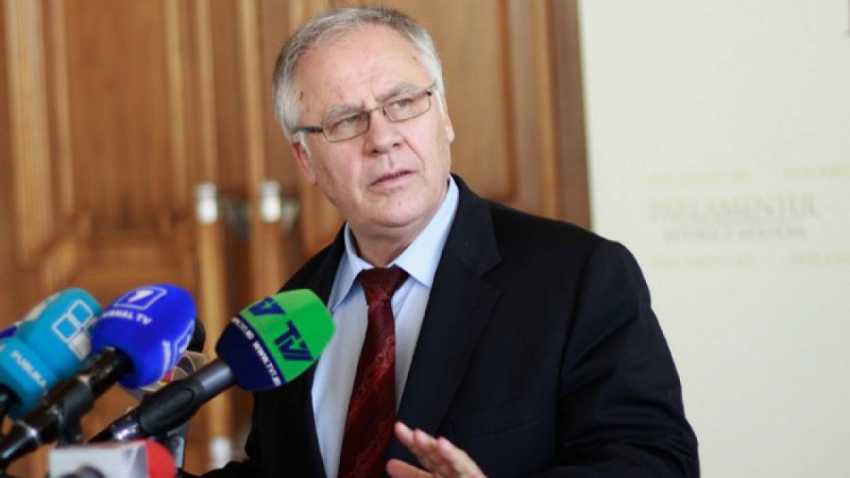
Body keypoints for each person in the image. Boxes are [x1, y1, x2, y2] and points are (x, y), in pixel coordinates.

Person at [197, 5, 698, 478]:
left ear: (445, 116)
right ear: (305, 158)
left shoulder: (579, 277)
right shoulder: (292, 315)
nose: (383, 138)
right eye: (345, 120)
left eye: (402, 103)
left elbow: (656, 461)